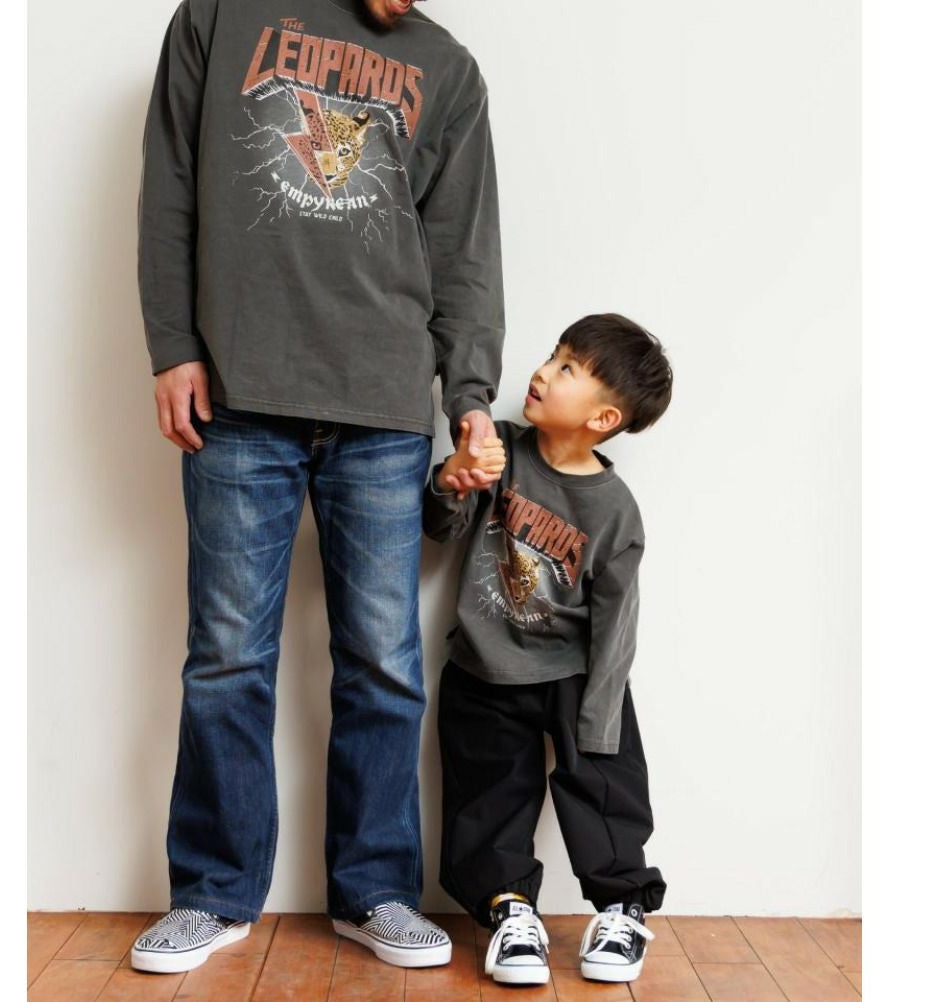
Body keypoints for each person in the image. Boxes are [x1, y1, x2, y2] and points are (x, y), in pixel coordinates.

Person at [131, 0, 504, 974]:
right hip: (240, 389)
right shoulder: (221, 13)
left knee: (383, 661)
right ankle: (213, 892)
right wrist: (171, 343)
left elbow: (465, 252)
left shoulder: (447, 68)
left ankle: (374, 890)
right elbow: (170, 180)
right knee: (226, 658)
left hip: (383, 399)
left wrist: (471, 398)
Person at [423, 314, 672, 986]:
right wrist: (453, 478)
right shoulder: (500, 450)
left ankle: (622, 907)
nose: (541, 372)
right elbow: (440, 529)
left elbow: (617, 620)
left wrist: (600, 714)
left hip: (575, 672)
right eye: (553, 356)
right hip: (485, 665)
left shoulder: (615, 510)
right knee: (487, 795)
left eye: (567, 368)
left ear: (603, 417)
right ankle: (508, 911)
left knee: (605, 779)